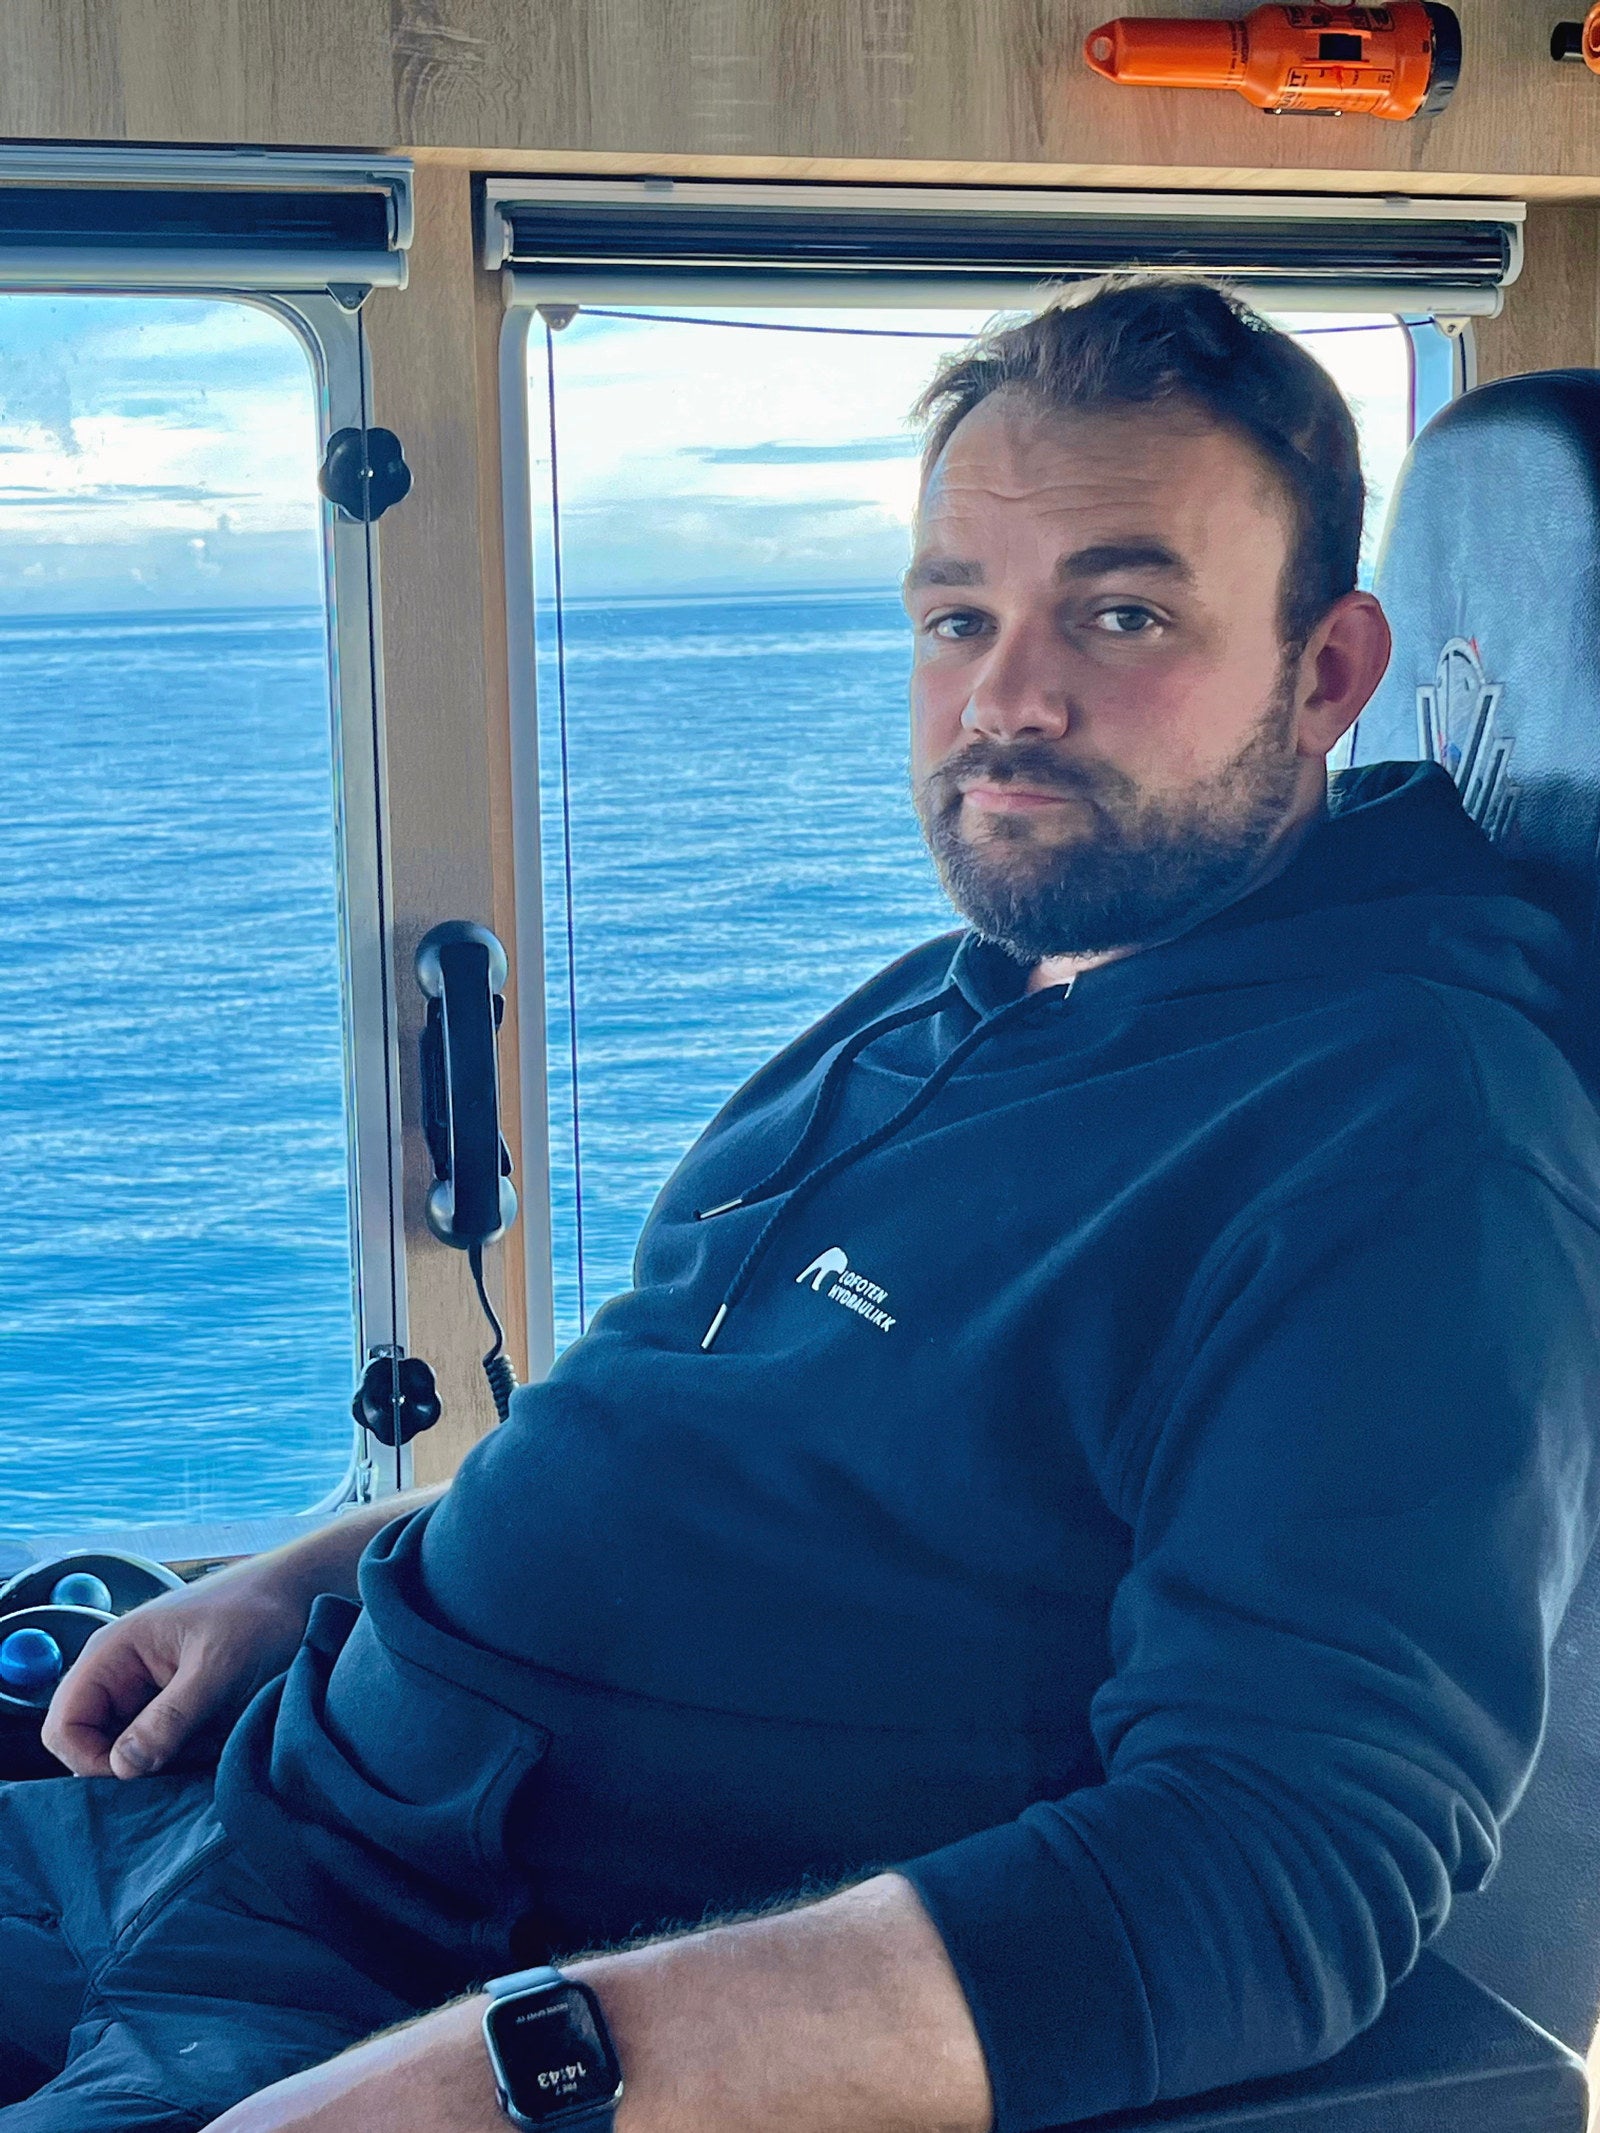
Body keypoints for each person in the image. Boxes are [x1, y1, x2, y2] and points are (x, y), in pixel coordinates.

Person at [10, 274, 1600, 2133]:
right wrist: (305, 1577)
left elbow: (1281, 1868)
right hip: (244, 1814)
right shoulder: (974, 988)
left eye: (1123, 612)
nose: (1005, 698)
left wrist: (493, 2075)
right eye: (958, 615)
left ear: (1327, 672)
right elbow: (734, 1448)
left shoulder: (1408, 1140)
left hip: (392, 1990)